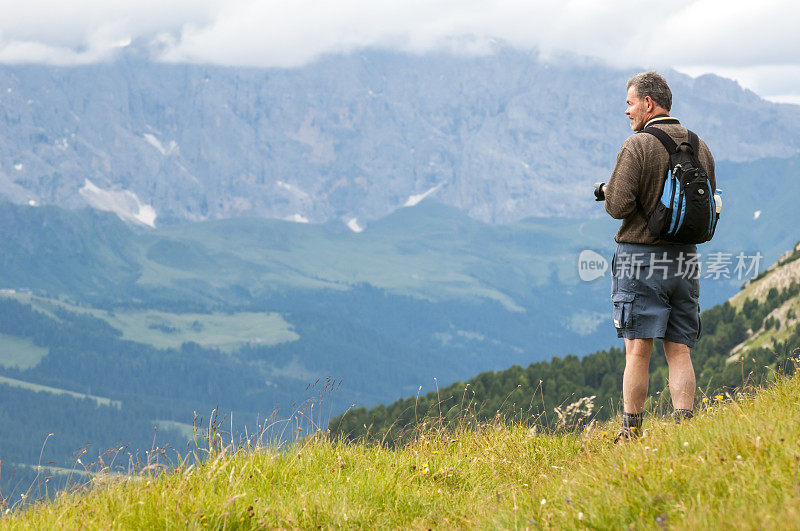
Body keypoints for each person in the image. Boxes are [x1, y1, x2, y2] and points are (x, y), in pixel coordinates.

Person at [594, 71, 716, 440]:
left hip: (640, 260)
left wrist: (605, 190)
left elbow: (618, 206)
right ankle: (684, 429)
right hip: (685, 259)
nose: (626, 111)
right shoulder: (700, 145)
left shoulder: (638, 146)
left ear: (648, 103)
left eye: (630, 102)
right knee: (679, 350)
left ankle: (630, 432)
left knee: (638, 350)